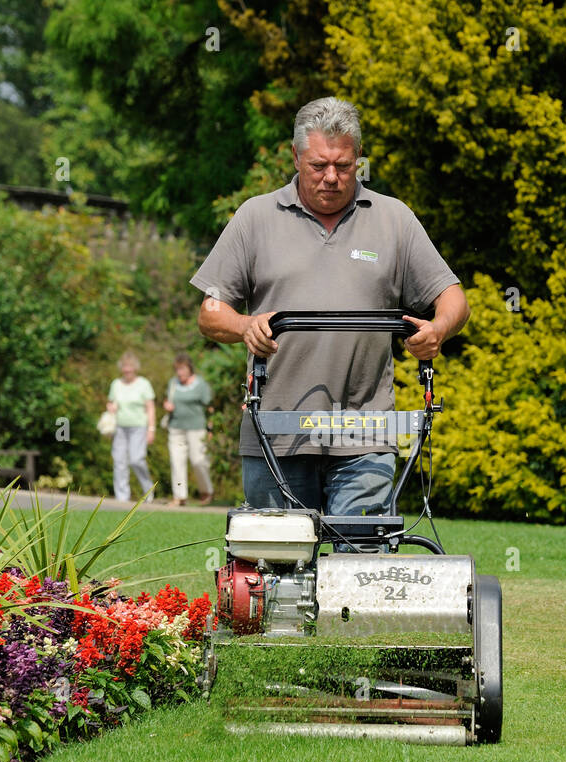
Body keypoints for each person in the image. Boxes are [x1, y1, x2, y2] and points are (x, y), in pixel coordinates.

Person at [192, 96, 469, 515]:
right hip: (275, 434)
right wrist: (245, 325)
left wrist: (438, 329)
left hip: (365, 434)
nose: (332, 177)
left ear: (358, 158)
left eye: (343, 165)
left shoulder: (393, 219)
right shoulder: (256, 217)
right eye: (319, 166)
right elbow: (210, 313)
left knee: (359, 567)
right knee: (277, 567)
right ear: (295, 156)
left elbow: (454, 299)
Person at [163, 352, 214, 507]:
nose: (180, 373)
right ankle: (179, 497)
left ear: (189, 368)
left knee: (198, 461)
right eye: (177, 369)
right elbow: (168, 400)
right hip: (176, 428)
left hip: (196, 428)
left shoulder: (200, 385)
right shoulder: (173, 383)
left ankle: (206, 491)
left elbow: (210, 407)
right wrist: (167, 406)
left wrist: (210, 429)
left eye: (182, 369)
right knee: (176, 461)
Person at [106, 351, 155, 502]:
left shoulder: (143, 384)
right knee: (119, 461)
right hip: (120, 428)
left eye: (130, 366)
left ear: (135, 368)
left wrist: (151, 429)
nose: (127, 370)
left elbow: (150, 407)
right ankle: (122, 498)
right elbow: (110, 402)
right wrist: (111, 408)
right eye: (124, 366)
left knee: (136, 459)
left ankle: (148, 492)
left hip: (138, 428)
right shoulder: (116, 384)